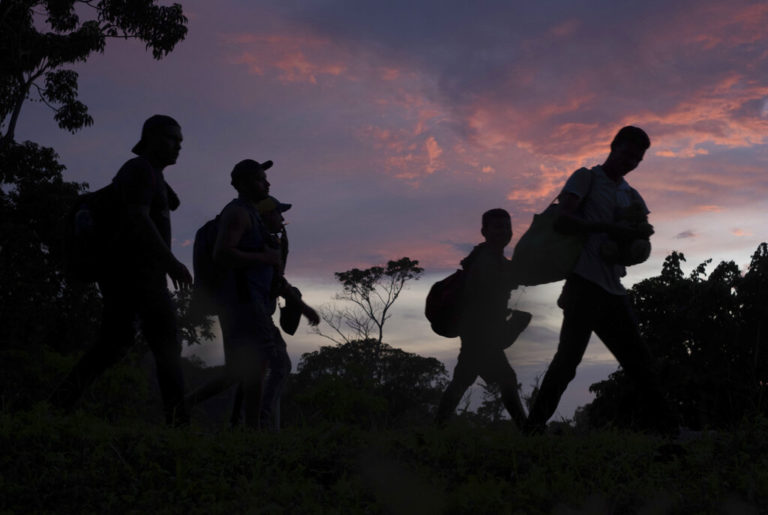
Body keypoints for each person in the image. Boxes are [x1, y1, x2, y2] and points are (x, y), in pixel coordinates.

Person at [524, 126, 678, 435]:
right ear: (612, 147)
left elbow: (641, 235)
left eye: (637, 158)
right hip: (583, 284)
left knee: (640, 363)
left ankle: (670, 431)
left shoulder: (632, 195)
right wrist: (609, 228)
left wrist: (635, 243)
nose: (630, 162)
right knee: (567, 363)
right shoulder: (586, 178)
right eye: (626, 154)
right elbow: (564, 220)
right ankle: (533, 428)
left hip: (612, 289)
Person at [50, 115, 192, 425]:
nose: (177, 147)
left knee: (113, 344)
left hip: (130, 276)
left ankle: (56, 406)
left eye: (180, 141)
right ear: (151, 139)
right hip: (137, 275)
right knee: (166, 343)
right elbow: (139, 218)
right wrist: (171, 262)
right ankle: (181, 425)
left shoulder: (151, 173)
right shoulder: (139, 169)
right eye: (171, 139)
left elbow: (158, 208)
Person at [186, 160, 319, 429]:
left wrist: (302, 308)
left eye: (266, 179)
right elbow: (222, 254)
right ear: (243, 184)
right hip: (244, 303)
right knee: (268, 364)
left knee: (236, 371)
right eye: (261, 179)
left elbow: (274, 281)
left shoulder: (251, 218)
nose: (267, 184)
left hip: (241, 303)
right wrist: (266, 256)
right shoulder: (238, 214)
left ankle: (181, 407)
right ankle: (255, 429)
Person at [435, 208, 528, 428]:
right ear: (484, 231)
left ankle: (437, 427)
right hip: (480, 332)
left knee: (466, 379)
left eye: (507, 227)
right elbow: (483, 293)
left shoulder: (491, 258)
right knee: (504, 379)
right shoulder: (485, 261)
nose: (503, 232)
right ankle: (528, 430)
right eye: (497, 227)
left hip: (478, 331)